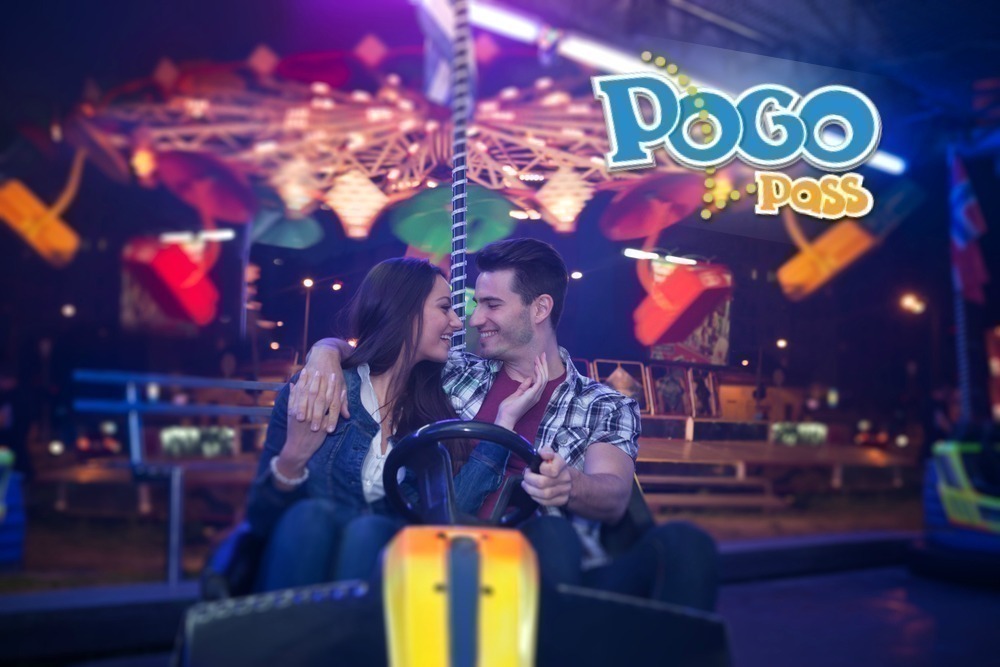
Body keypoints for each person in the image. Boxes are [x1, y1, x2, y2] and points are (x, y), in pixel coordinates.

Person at [302, 238, 718, 611]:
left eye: (492, 305)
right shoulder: (451, 371)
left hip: (551, 573)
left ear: (539, 309)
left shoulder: (603, 403)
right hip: (438, 551)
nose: (474, 318)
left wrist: (568, 484)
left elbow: (612, 495)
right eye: (474, 303)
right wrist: (325, 352)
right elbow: (384, 349)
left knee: (682, 543)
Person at [245, 257, 546, 591]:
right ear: (405, 311)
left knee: (370, 531)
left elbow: (451, 513)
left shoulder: (434, 412)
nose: (457, 323)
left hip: (379, 566)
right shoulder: (320, 387)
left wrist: (504, 420)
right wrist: (293, 457)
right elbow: (260, 521)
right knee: (310, 518)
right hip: (303, 553)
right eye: (445, 308)